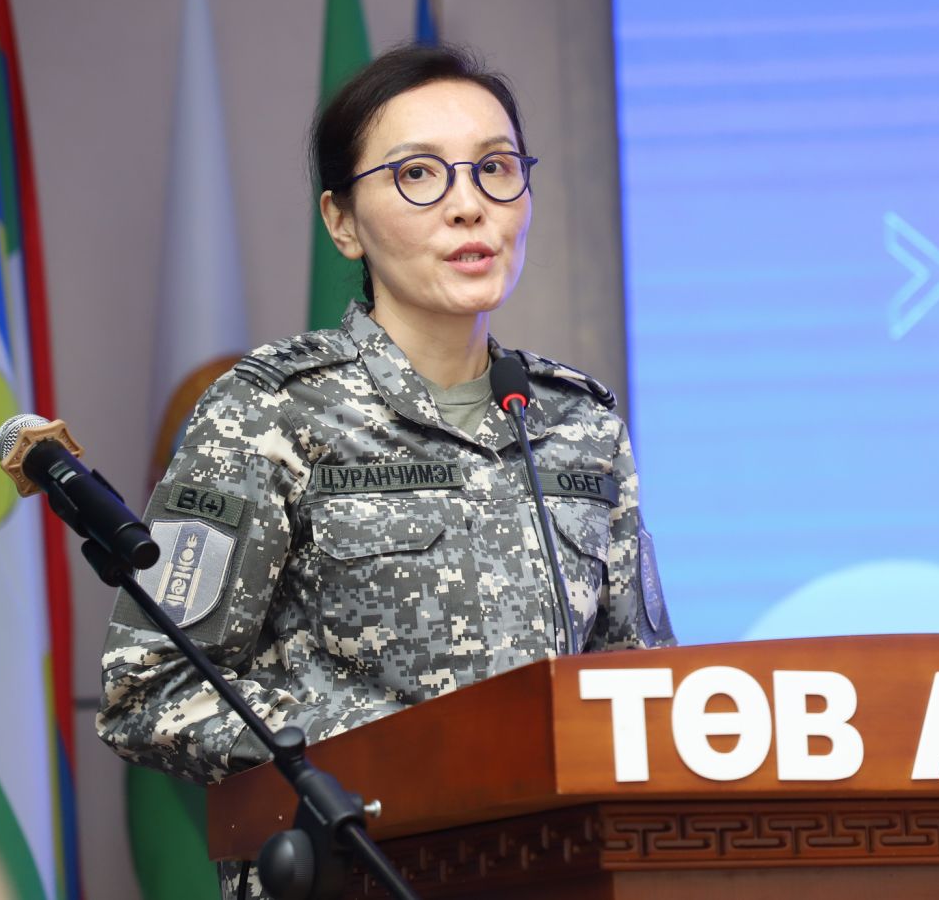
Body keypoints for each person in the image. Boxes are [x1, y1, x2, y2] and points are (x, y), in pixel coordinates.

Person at [97, 43, 673, 895]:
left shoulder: (578, 422)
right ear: (341, 222)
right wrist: (408, 752)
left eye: (496, 168)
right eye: (418, 176)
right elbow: (148, 687)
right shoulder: (271, 412)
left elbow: (637, 686)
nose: (469, 206)